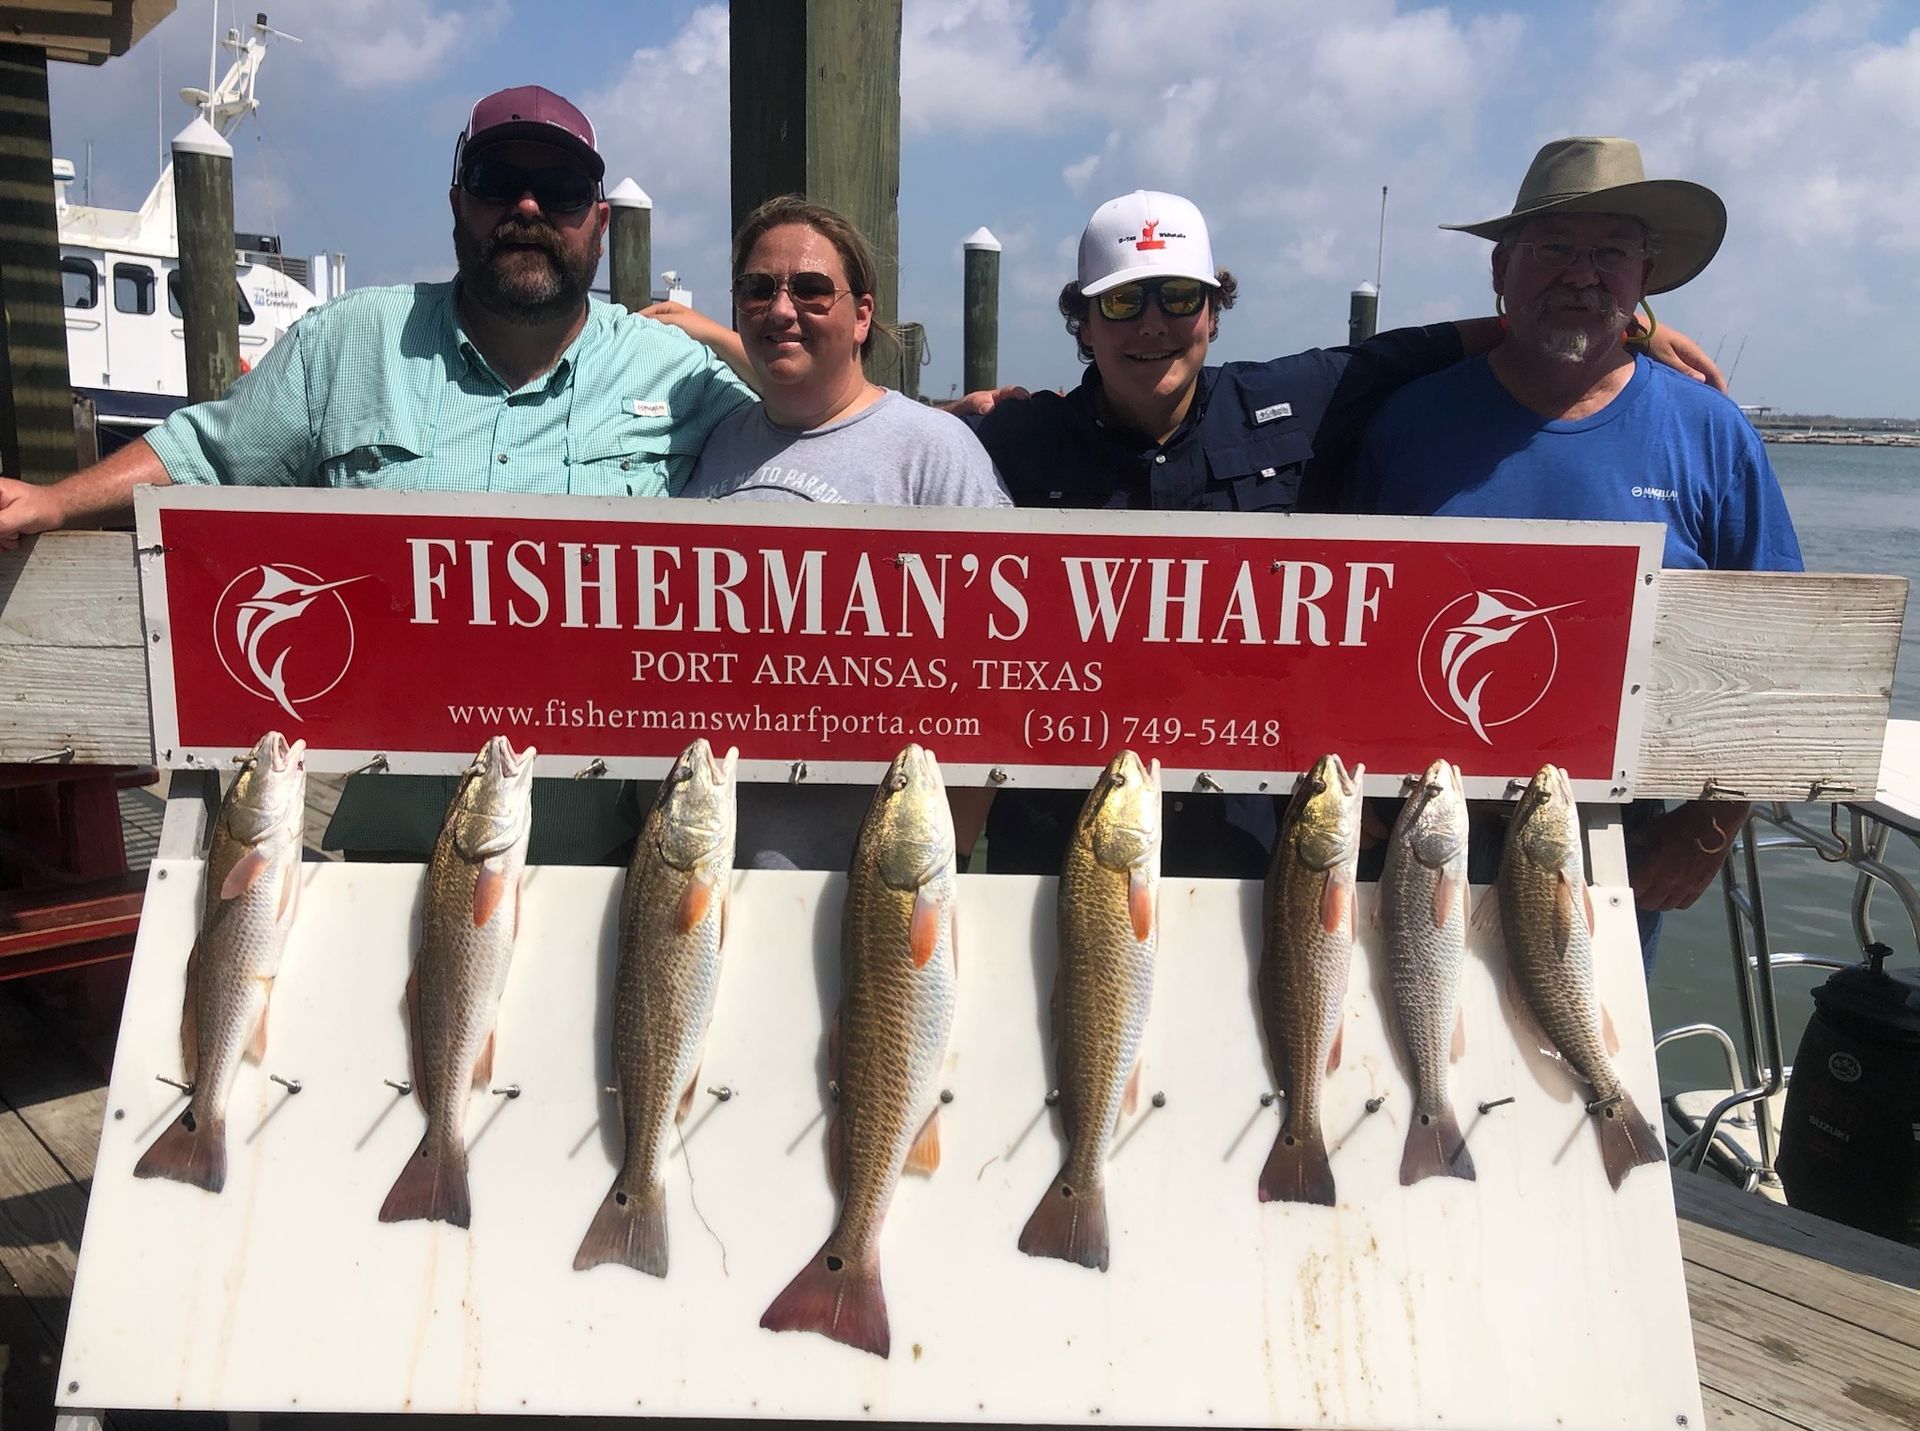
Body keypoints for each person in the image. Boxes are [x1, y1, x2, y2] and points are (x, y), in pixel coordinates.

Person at [0, 85, 755, 863]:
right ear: (459, 202)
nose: (527, 208)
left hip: (607, 873)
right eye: (498, 182)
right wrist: (55, 502)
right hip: (388, 860)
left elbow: (810, 443)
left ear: (598, 222)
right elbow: (208, 453)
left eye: (562, 191)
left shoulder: (677, 368)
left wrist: (726, 339)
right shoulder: (352, 337)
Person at [960, 188, 1726, 882]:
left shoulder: (1297, 400)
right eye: (1124, 303)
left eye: (1179, 297)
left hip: (1255, 849)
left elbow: (1430, 347)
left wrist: (1626, 325)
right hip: (1065, 843)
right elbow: (891, 453)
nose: (1155, 324)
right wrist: (956, 420)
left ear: (1214, 312)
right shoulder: (1013, 439)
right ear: (1083, 323)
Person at [1347, 136, 1804, 967]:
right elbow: (1331, 620)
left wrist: (1707, 831)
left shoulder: (1711, 434)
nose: (1581, 274)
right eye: (1554, 250)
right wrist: (1345, 787)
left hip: (1609, 841)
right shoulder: (1405, 420)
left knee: (1579, 1081)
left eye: (1610, 254)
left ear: (1644, 278)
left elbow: (1780, 654)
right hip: (1414, 830)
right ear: (1501, 270)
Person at [679, 194, 1009, 868]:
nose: (780, 309)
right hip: (711, 874)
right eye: (757, 288)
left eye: (809, 289)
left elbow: (995, 683)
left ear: (862, 314)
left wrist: (950, 854)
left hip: (877, 890)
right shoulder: (714, 444)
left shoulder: (934, 449)